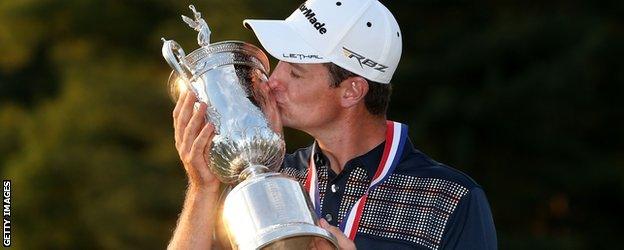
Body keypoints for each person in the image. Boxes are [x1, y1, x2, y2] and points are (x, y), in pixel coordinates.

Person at [168, 0, 497, 249]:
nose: (271, 82)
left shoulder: (451, 198)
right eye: (279, 64)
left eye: (295, 72)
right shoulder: (270, 178)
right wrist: (202, 187)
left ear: (352, 90)